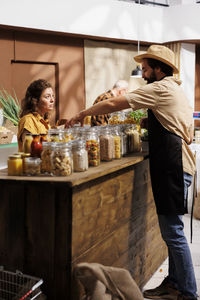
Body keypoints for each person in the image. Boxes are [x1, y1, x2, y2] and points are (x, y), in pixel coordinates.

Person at [65, 44, 198, 300]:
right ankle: (173, 284)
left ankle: (189, 293)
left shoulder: (159, 88)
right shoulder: (173, 88)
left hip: (174, 166)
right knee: (171, 232)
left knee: (173, 233)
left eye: (146, 68)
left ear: (159, 68)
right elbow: (181, 127)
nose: (143, 72)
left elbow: (115, 103)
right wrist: (152, 121)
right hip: (174, 165)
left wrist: (83, 113)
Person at [17, 79, 55, 151]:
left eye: (52, 96)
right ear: (35, 100)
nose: (52, 100)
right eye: (47, 97)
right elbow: (30, 150)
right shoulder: (28, 120)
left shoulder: (44, 121)